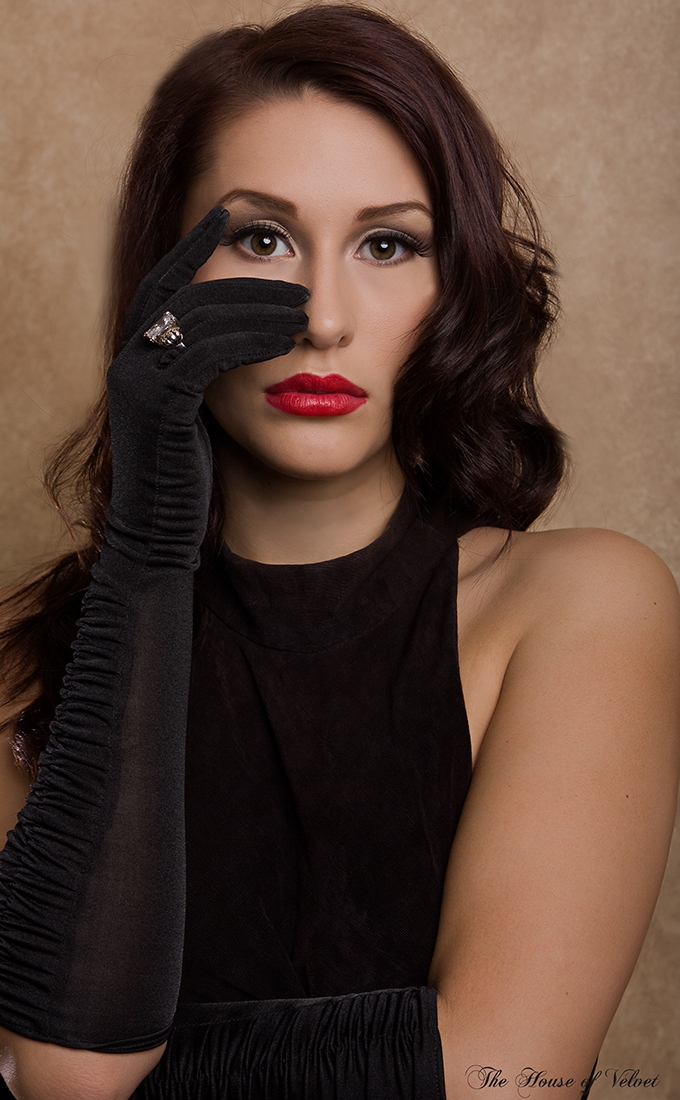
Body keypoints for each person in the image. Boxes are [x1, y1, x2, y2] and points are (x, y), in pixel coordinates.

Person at [0, 6, 678, 1099]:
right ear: (165, 283)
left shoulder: (583, 604)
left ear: (454, 284)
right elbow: (70, 1079)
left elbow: (499, 1079)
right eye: (260, 240)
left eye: (387, 244)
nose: (320, 319)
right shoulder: (32, 666)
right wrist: (149, 543)